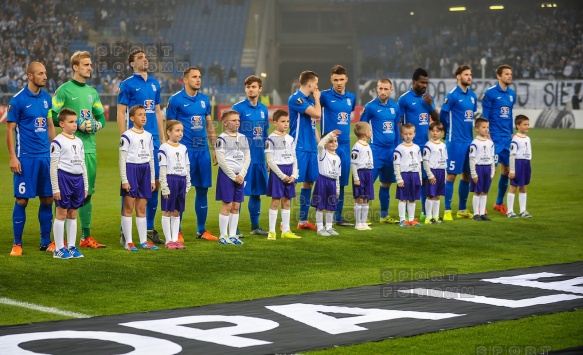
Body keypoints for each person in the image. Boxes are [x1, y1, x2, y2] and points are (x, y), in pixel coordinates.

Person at [51, 51, 107, 248]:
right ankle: (58, 240)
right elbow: (52, 115)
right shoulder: (64, 91)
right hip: (66, 150)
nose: (90, 68)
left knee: (86, 193)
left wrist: (96, 126)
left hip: (88, 149)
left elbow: (101, 118)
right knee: (60, 195)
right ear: (75, 67)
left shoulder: (93, 92)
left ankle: (85, 237)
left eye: (90, 65)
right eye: (86, 65)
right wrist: (72, 126)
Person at [7, 62, 56, 256]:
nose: (45, 76)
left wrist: (55, 151)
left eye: (45, 72)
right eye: (41, 73)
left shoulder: (46, 99)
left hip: (45, 157)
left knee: (48, 198)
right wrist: (13, 157)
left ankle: (45, 241)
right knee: (22, 200)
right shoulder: (18, 100)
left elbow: (50, 125)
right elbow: (9, 130)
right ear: (29, 76)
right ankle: (17, 244)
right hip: (26, 158)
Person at [117, 49, 166, 245]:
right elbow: (121, 112)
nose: (144, 60)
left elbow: (157, 111)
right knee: (129, 185)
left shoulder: (155, 83)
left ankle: (149, 229)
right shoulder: (127, 84)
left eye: (145, 58)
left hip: (153, 139)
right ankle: (124, 231)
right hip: (135, 140)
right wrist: (124, 137)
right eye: (139, 58)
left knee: (154, 184)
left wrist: (162, 138)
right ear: (131, 64)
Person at [166, 67, 218, 241]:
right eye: (194, 77)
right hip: (183, 152)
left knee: (202, 190)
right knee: (179, 191)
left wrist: (214, 148)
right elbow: (169, 127)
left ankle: (201, 230)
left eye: (200, 77)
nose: (198, 80)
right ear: (185, 80)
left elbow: (209, 125)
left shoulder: (204, 100)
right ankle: (177, 231)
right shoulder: (175, 100)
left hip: (202, 151)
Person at [398, 68, 439, 222]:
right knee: (410, 179)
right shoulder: (404, 99)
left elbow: (437, 119)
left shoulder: (428, 98)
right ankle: (407, 213)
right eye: (421, 82)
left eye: (426, 82)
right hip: (410, 147)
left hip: (426, 145)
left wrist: (430, 106)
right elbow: (399, 122)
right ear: (414, 82)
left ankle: (422, 211)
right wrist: (400, 142)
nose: (424, 85)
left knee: (424, 179)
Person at [359, 78, 401, 224]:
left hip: (391, 152)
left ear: (391, 90)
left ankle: (384, 215)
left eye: (386, 89)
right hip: (375, 151)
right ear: (376, 89)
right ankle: (363, 216)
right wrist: (364, 147)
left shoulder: (395, 107)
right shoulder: (370, 107)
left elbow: (397, 128)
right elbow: (361, 127)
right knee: (367, 182)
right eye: (380, 89)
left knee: (386, 184)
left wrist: (397, 148)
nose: (383, 92)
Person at [232, 75, 269, 236]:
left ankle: (255, 226)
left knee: (256, 193)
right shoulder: (238, 108)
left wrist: (268, 156)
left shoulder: (263, 109)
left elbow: (266, 133)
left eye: (253, 86)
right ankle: (234, 227)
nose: (250, 89)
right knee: (239, 194)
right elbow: (231, 133)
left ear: (260, 89)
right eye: (248, 87)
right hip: (242, 160)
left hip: (259, 157)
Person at [320, 65, 356, 226]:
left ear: (346, 79)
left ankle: (338, 216)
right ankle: (321, 215)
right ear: (331, 80)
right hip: (329, 146)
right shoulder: (324, 96)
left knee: (341, 181)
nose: (339, 83)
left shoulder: (351, 97)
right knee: (326, 180)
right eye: (336, 80)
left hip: (345, 146)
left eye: (341, 79)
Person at [440, 65, 478, 221]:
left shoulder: (473, 96)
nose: (469, 77)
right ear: (458, 76)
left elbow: (471, 116)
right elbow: (443, 115)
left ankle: (462, 209)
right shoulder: (452, 95)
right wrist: (449, 131)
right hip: (455, 141)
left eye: (470, 74)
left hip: (469, 141)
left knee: (467, 175)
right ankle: (447, 210)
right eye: (466, 74)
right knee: (450, 176)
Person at [50, 108, 88, 259]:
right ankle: (59, 249)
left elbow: (83, 164)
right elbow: (53, 167)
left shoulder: (79, 141)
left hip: (77, 179)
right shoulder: (57, 141)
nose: (74, 125)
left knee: (73, 213)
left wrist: (85, 185)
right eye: (70, 122)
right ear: (61, 123)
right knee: (61, 213)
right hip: (63, 178)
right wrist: (55, 188)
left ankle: (71, 246)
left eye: (75, 122)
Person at [119, 105, 158, 251]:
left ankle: (143, 241)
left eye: (145, 115)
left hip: (145, 171)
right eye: (140, 114)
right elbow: (122, 159)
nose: (143, 117)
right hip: (131, 170)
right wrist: (124, 180)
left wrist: (152, 179)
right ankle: (128, 241)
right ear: (132, 118)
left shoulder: (148, 135)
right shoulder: (127, 135)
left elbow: (151, 158)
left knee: (142, 207)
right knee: (128, 206)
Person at [481, 64, 516, 215]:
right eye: (506, 74)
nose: (509, 76)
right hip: (493, 137)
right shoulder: (490, 93)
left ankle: (499, 203)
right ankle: (482, 204)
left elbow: (509, 115)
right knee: (491, 171)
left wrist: (511, 133)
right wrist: (486, 134)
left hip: (507, 138)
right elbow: (485, 115)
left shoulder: (512, 94)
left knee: (507, 170)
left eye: (510, 74)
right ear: (499, 76)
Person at [288, 71, 321, 231]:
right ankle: (283, 223)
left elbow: (313, 124)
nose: (316, 87)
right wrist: (317, 99)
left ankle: (302, 221)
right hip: (298, 146)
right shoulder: (296, 98)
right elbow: (317, 114)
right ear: (310, 84)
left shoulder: (307, 100)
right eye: (316, 83)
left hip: (311, 148)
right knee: (291, 182)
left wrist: (319, 143)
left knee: (309, 183)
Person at [215, 110, 250, 245]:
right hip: (227, 175)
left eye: (238, 120)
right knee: (227, 204)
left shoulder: (243, 138)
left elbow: (247, 157)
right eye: (234, 120)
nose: (237, 123)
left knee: (236, 205)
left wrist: (241, 174)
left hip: (240, 176)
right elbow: (221, 160)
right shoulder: (221, 139)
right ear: (225, 123)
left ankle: (233, 235)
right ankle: (223, 236)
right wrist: (233, 176)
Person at [265, 109, 301, 240]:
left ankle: (286, 230)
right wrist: (282, 176)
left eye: (287, 121)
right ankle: (272, 231)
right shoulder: (271, 139)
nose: (286, 124)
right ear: (275, 122)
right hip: (277, 172)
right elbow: (270, 160)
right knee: (275, 201)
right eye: (282, 121)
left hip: (289, 171)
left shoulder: (290, 138)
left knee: (287, 201)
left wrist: (294, 174)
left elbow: (294, 158)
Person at [159, 120, 190, 249]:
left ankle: (175, 239)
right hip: (170, 180)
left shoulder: (183, 148)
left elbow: (187, 166)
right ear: (168, 132)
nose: (180, 133)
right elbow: (163, 168)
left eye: (182, 130)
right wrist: (164, 186)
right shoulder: (164, 147)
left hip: (181, 180)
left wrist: (188, 182)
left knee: (177, 211)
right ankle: (168, 241)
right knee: (167, 211)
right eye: (177, 130)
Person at [312, 130, 342, 236]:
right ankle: (320, 228)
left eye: (335, 141)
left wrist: (337, 189)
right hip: (322, 181)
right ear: (326, 143)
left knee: (331, 207)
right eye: (331, 141)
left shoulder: (338, 158)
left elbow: (338, 175)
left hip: (332, 183)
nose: (334, 143)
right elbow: (320, 144)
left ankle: (329, 227)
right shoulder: (323, 153)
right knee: (320, 206)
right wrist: (329, 134)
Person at [393, 123, 423, 227]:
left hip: (415, 175)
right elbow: (396, 165)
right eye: (406, 134)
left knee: (413, 198)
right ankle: (402, 220)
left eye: (410, 134)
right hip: (404, 175)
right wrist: (399, 179)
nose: (408, 136)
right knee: (403, 198)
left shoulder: (417, 148)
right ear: (402, 134)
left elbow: (419, 163)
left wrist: (420, 177)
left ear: (414, 134)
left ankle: (411, 219)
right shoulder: (399, 148)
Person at [469, 118, 495, 221]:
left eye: (487, 127)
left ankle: (482, 212)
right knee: (477, 191)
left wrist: (492, 172)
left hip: (487, 168)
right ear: (477, 129)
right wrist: (474, 174)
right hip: (478, 168)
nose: (486, 129)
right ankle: (476, 214)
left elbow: (492, 158)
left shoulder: (490, 143)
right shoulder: (475, 143)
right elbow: (471, 159)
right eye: (483, 127)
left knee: (484, 191)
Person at [506, 115, 532, 218]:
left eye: (528, 124)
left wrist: (529, 167)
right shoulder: (515, 139)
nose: (527, 126)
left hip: (526, 164)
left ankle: (522, 210)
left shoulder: (527, 138)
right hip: (518, 163)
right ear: (517, 125)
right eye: (524, 124)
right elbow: (512, 155)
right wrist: (512, 170)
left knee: (523, 187)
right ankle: (510, 211)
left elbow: (529, 153)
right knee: (513, 187)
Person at [422, 122, 448, 224]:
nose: (435, 133)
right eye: (432, 131)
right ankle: (428, 217)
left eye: (437, 131)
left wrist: (445, 174)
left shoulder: (443, 145)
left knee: (437, 195)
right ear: (429, 132)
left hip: (441, 172)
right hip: (433, 172)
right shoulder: (428, 145)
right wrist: (430, 174)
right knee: (430, 195)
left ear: (442, 133)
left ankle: (436, 217)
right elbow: (425, 161)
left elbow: (445, 160)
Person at [351, 122, 374, 231]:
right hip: (360, 174)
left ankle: (364, 222)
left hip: (368, 173)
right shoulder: (357, 146)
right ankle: (358, 223)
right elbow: (354, 163)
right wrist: (356, 178)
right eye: (369, 130)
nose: (371, 132)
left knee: (366, 198)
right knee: (359, 198)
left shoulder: (367, 144)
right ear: (366, 133)